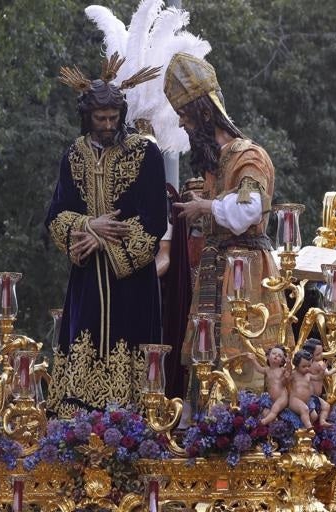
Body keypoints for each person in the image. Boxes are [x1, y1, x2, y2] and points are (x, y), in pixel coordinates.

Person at [45, 55, 167, 411]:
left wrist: (102, 237)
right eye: (101, 118)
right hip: (87, 281)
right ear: (87, 117)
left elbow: (155, 220)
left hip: (131, 281)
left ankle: (130, 427)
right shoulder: (74, 155)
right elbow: (56, 214)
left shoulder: (146, 153)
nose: (108, 124)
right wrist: (86, 226)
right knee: (84, 340)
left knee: (131, 345)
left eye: (114, 118)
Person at [164, 52, 292, 393]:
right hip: (213, 270)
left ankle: (244, 428)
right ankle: (208, 429)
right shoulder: (213, 164)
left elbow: (247, 211)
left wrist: (205, 206)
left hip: (248, 272)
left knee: (246, 356)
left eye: (185, 117)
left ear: (205, 114)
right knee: (207, 360)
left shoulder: (249, 156)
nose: (181, 125)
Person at [246, 345, 290, 425]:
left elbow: (289, 371)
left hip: (282, 397)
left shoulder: (282, 370)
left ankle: (264, 421)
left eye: (279, 356)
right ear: (268, 356)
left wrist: (289, 363)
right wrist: (253, 360)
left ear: (282, 361)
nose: (276, 356)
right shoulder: (267, 370)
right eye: (274, 353)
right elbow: (259, 368)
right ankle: (270, 425)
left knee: (275, 408)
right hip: (271, 398)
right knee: (265, 411)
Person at [302, 339, 335, 426]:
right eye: (318, 354)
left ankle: (321, 421)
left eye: (321, 353)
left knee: (325, 406)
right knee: (323, 408)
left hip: (314, 396)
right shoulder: (319, 364)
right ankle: (319, 422)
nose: (321, 356)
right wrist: (335, 370)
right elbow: (327, 373)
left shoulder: (307, 365)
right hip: (309, 395)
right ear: (310, 355)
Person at [288, 349, 321, 429]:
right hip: (295, 400)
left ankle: (304, 428)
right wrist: (288, 364)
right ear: (296, 365)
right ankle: (309, 427)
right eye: (304, 366)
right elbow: (286, 378)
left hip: (307, 401)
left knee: (314, 415)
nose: (307, 368)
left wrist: (322, 371)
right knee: (304, 409)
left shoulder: (308, 375)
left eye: (309, 366)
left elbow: (318, 377)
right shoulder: (294, 374)